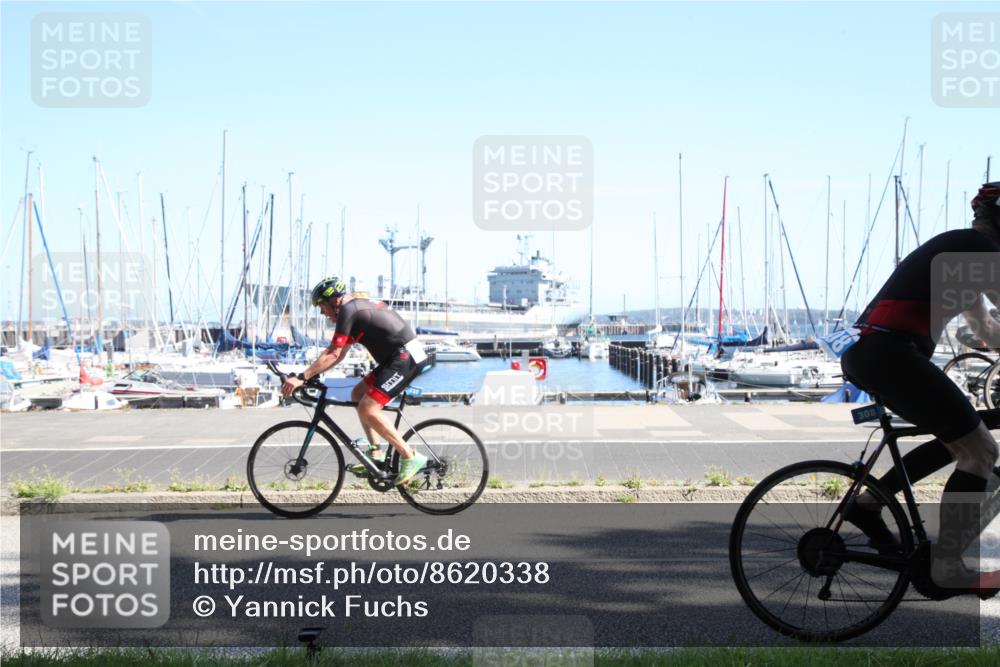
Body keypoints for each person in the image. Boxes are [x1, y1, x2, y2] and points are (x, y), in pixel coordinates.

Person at [839, 181, 1000, 598]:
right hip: (891, 356)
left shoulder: (967, 253)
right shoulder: (980, 253)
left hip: (880, 355)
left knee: (963, 438)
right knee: (980, 450)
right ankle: (947, 565)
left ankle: (869, 504)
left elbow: (987, 330)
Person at [281, 277, 433, 485]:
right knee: (357, 394)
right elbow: (340, 353)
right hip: (395, 358)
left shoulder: (348, 311)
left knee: (368, 409)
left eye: (322, 307)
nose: (323, 313)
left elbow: (333, 354)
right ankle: (376, 452)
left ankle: (410, 456)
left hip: (405, 359)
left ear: (333, 301)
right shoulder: (354, 309)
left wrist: (301, 377)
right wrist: (312, 374)